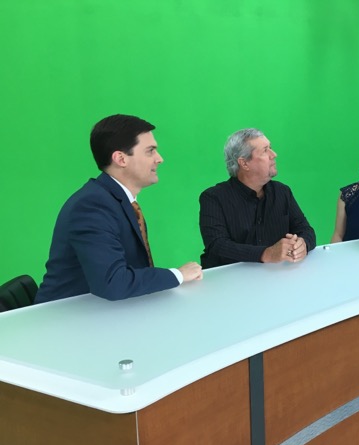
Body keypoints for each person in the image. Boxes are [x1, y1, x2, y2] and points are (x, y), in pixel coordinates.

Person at [35, 114, 203, 303]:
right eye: (150, 151)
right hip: (65, 321)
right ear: (121, 159)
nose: (160, 159)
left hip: (102, 313)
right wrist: (177, 275)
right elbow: (113, 283)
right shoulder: (91, 206)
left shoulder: (114, 199)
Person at [199, 128, 316, 268]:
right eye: (265, 150)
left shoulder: (282, 191)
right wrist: (266, 253)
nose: (274, 154)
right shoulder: (213, 198)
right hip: (230, 282)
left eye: (271, 148)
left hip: (274, 278)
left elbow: (305, 229)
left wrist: (303, 244)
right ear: (244, 163)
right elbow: (217, 245)